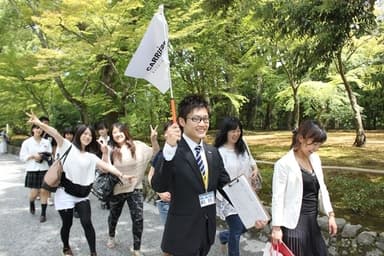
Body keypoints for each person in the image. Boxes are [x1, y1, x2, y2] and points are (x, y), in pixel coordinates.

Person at [26, 111, 133, 256]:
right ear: (79, 134)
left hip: (82, 195)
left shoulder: (90, 156)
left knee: (87, 223)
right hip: (65, 194)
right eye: (85, 133)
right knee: (67, 224)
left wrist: (120, 172)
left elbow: (106, 167)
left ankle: (93, 252)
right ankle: (65, 247)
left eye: (90, 135)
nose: (87, 137)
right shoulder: (67, 147)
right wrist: (39, 123)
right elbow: (55, 133)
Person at [151, 94, 231, 256]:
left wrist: (253, 211)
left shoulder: (213, 153)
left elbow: (227, 186)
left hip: (206, 232)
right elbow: (159, 185)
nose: (202, 124)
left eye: (205, 119)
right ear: (181, 121)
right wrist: (168, 150)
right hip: (180, 235)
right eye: (196, 119)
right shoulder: (171, 152)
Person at [271, 120, 337, 256]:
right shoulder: (284, 164)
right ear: (301, 138)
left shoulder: (315, 159)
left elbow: (322, 188)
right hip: (294, 225)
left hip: (312, 223)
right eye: (313, 143)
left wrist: (331, 215)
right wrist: (276, 228)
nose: (315, 148)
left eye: (318, 144)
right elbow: (278, 197)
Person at [214, 116, 267, 256]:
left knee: (247, 224)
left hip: (246, 192)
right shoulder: (219, 152)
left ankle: (225, 236)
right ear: (225, 132)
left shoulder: (242, 144)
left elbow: (250, 159)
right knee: (237, 228)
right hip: (228, 195)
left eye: (238, 130)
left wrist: (254, 169)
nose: (236, 134)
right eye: (232, 131)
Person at [105, 122, 159, 256]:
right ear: (111, 135)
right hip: (117, 189)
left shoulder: (138, 146)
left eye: (119, 131)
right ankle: (111, 236)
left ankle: (136, 248)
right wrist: (105, 152)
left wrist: (153, 139)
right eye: (114, 132)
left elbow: (155, 153)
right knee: (114, 216)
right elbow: (104, 166)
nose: (117, 134)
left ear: (125, 131)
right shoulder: (110, 149)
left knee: (138, 218)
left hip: (135, 188)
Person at [147, 121, 173, 256]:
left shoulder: (189, 154)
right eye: (171, 130)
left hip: (187, 205)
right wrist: (160, 192)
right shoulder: (161, 155)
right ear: (165, 135)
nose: (175, 133)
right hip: (167, 205)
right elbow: (150, 176)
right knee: (170, 241)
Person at [19, 124, 52, 223]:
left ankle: (43, 214)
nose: (39, 130)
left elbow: (50, 154)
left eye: (41, 128)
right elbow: (22, 157)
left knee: (44, 191)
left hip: (44, 169)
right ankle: (31, 201)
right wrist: (33, 156)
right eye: (37, 128)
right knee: (34, 193)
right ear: (33, 129)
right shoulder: (27, 142)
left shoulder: (46, 142)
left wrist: (43, 156)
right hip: (32, 169)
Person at [96, 122, 111, 210]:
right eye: (99, 129)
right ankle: (103, 199)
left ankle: (109, 200)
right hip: (101, 163)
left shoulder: (112, 140)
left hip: (111, 163)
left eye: (103, 129)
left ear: (107, 129)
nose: (101, 131)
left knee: (110, 182)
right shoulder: (97, 141)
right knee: (102, 183)